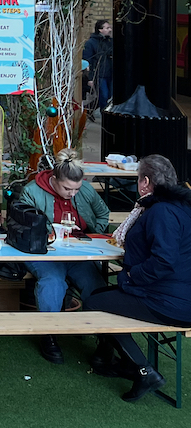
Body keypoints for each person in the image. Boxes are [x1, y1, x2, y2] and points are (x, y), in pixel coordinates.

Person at [85, 154, 191, 401]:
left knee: (93, 304)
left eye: (138, 179)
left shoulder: (161, 211)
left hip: (169, 300)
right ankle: (116, 361)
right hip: (175, 293)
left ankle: (144, 371)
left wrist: (133, 274)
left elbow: (163, 261)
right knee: (99, 296)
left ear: (145, 182)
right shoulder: (181, 207)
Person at [17, 147, 111, 364]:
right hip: (44, 252)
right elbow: (23, 225)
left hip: (78, 252)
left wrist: (92, 234)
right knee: (52, 281)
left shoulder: (85, 190)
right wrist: (49, 234)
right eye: (68, 188)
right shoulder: (32, 191)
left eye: (77, 188)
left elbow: (103, 213)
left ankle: (105, 337)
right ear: (54, 179)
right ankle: (49, 334)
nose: (73, 193)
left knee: (95, 284)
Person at [82, 20, 114, 111]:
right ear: (100, 30)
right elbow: (88, 61)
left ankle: (89, 109)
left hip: (110, 73)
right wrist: (90, 78)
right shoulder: (91, 43)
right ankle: (103, 115)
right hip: (99, 74)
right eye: (107, 28)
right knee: (104, 96)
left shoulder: (110, 41)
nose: (110, 30)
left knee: (109, 96)